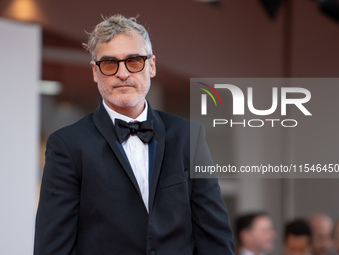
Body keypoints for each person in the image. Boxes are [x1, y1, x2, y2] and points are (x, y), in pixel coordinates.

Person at [34, 14, 235, 255]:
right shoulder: (67, 145)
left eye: (134, 61)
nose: (122, 73)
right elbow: (53, 247)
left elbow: (215, 237)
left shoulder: (189, 136)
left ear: (151, 65)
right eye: (110, 63)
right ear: (95, 72)